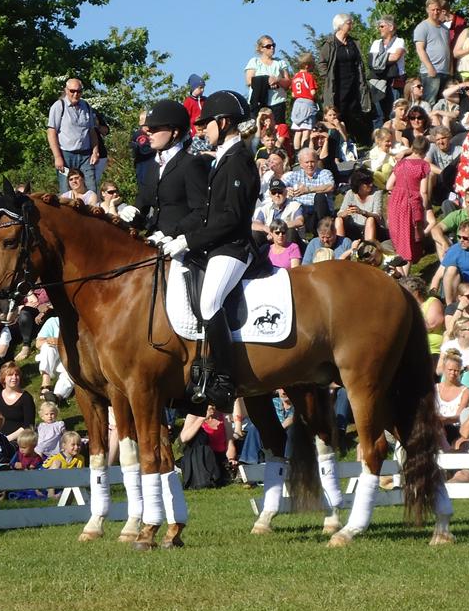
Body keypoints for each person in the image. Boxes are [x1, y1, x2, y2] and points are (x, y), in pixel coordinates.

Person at [163, 90, 260, 409]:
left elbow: (230, 218)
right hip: (216, 246)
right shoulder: (223, 159)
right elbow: (207, 214)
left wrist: (190, 241)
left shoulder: (239, 160)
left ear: (224, 121)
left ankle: (225, 377)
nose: (202, 130)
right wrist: (175, 235)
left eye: (206, 124)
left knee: (208, 303)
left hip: (234, 247)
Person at [137, 99, 208, 244]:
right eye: (149, 128)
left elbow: (201, 211)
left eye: (155, 129)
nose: (149, 132)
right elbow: (143, 202)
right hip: (153, 240)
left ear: (174, 132)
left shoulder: (191, 164)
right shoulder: (152, 165)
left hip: (180, 244)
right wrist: (129, 215)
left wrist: (171, 233)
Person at [317, 13, 372, 145]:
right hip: (338, 86)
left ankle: (357, 142)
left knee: (355, 111)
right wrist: (328, 77)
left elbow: (359, 62)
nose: (351, 25)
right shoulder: (330, 44)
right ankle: (341, 142)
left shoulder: (353, 42)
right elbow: (321, 63)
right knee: (339, 111)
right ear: (340, 25)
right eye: (349, 23)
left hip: (354, 84)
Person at [385, 135, 433, 273]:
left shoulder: (401, 163)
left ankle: (398, 274)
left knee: (400, 238)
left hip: (396, 201)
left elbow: (389, 185)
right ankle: (404, 276)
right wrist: (425, 207)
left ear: (412, 147)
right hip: (411, 203)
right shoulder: (424, 166)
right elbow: (423, 191)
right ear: (426, 150)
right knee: (409, 240)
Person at [46, 78, 101, 193]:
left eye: (79, 91)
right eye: (72, 91)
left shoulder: (86, 106)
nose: (76, 94)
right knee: (66, 192)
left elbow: (92, 131)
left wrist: (95, 151)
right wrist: (57, 157)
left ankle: (91, 210)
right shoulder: (58, 106)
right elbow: (51, 132)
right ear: (66, 90)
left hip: (86, 155)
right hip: (66, 155)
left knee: (91, 189)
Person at [284, 146, 335, 233]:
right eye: (307, 162)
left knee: (320, 196)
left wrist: (308, 190)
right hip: (303, 214)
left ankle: (323, 229)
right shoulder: (293, 176)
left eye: (312, 162)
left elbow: (331, 186)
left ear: (316, 161)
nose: (310, 165)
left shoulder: (324, 173)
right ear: (300, 164)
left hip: (320, 213)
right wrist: (286, 190)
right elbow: (280, 187)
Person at [367, 14, 406, 125]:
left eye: (382, 26)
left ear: (391, 27)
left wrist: (379, 58)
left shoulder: (399, 41)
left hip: (394, 81)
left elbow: (395, 57)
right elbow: (371, 61)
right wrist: (387, 57)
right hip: (378, 81)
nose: (379, 29)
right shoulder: (376, 43)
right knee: (379, 114)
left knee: (394, 112)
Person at [414, 0, 453, 104]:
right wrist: (430, 68)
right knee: (430, 102)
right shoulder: (422, 27)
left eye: (438, 10)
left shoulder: (445, 29)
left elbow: (448, 49)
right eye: (433, 10)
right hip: (431, 72)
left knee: (444, 102)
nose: (436, 12)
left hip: (444, 71)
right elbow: (420, 49)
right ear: (427, 10)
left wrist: (450, 69)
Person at [245, 35, 291, 123]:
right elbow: (249, 81)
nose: (272, 48)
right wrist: (267, 80)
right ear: (261, 48)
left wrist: (277, 80)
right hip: (258, 103)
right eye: (268, 46)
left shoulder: (280, 63)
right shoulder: (254, 62)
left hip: (277, 103)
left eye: (273, 45)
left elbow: (288, 82)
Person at [333, 167, 383, 242]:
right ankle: (341, 248)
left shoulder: (376, 193)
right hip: (353, 228)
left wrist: (363, 212)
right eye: (367, 183)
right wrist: (346, 213)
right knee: (338, 220)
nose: (371, 185)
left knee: (370, 219)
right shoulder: (350, 193)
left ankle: (368, 248)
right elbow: (339, 213)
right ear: (359, 184)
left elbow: (378, 217)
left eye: (371, 181)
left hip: (372, 228)